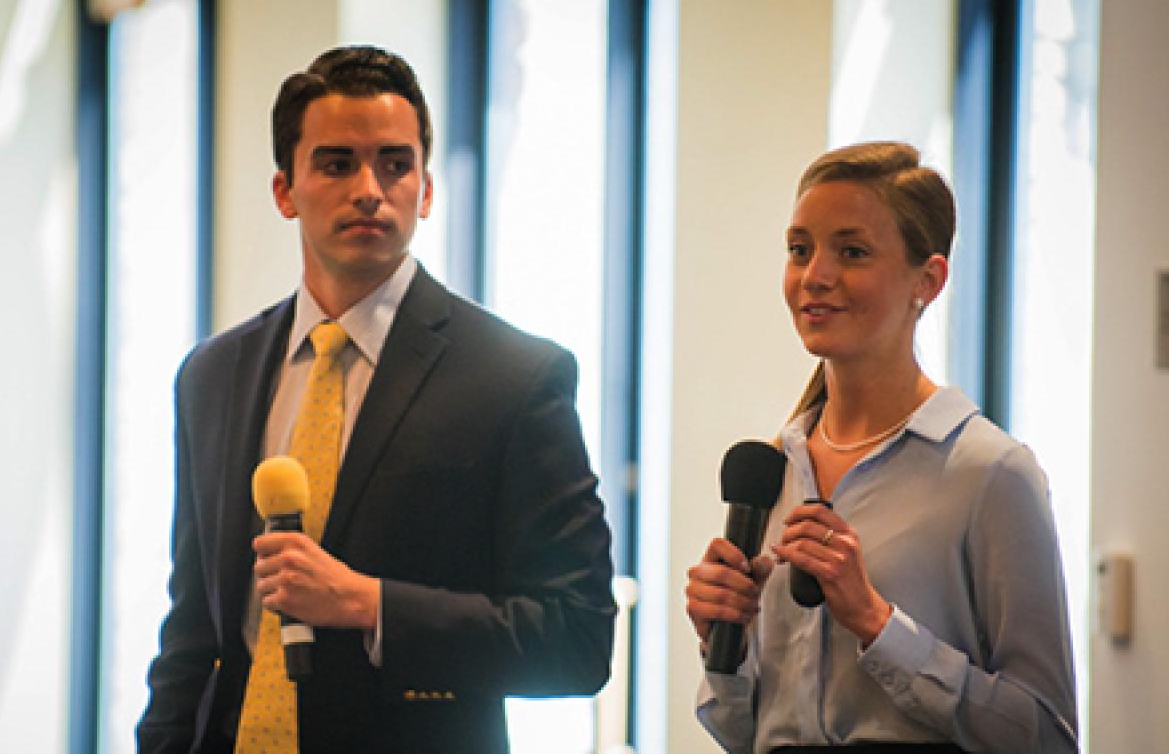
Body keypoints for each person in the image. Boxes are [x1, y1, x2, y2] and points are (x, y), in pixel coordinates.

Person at [136, 45, 615, 753]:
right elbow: (192, 631)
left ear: (424, 190)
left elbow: (578, 639)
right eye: (336, 164)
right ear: (284, 191)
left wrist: (367, 604)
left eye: (395, 164)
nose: (369, 188)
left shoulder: (514, 378)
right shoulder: (211, 376)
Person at [685, 142, 1077, 753]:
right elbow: (744, 734)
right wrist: (722, 646)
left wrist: (876, 622)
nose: (815, 275)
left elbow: (1048, 738)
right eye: (799, 250)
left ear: (929, 279)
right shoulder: (772, 470)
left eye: (853, 252)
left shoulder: (990, 473)